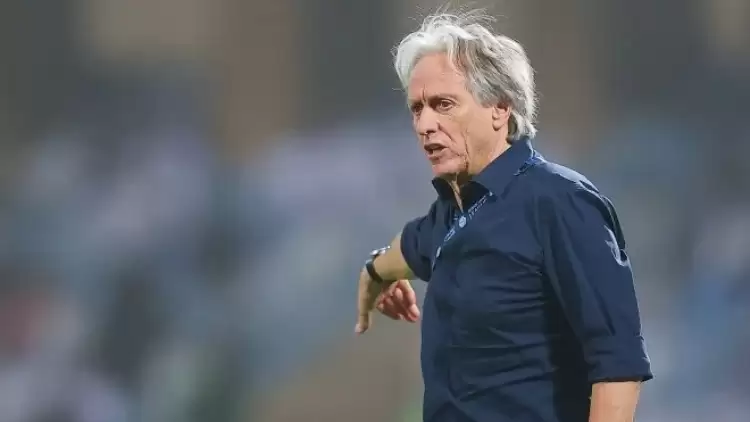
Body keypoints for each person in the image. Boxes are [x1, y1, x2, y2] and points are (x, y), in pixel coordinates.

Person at [354, 10, 652, 422]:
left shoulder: (560, 202)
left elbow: (618, 364)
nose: (425, 124)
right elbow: (407, 248)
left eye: (443, 104)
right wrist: (375, 272)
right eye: (417, 108)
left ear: (500, 108)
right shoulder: (451, 211)